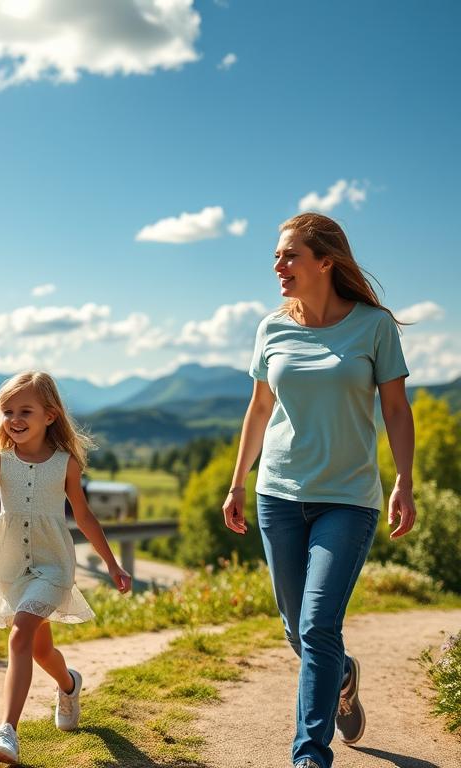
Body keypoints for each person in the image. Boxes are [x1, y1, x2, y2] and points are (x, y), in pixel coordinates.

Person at [223, 213, 416, 768]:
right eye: (277, 258)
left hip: (349, 498)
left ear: (325, 261)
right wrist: (238, 482)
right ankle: (343, 674)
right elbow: (259, 409)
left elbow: (397, 410)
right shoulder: (270, 328)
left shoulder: (373, 327)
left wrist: (404, 479)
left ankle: (310, 755)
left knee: (317, 624)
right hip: (278, 494)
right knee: (296, 627)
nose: (278, 267)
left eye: (290, 256)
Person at [0, 371, 133, 764]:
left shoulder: (65, 464)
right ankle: (69, 684)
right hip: (12, 566)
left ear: (50, 415)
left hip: (53, 566)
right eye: (7, 411)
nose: (14, 419)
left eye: (25, 411)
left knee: (20, 636)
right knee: (40, 648)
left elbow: (84, 517)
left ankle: (7, 732)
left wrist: (112, 564)